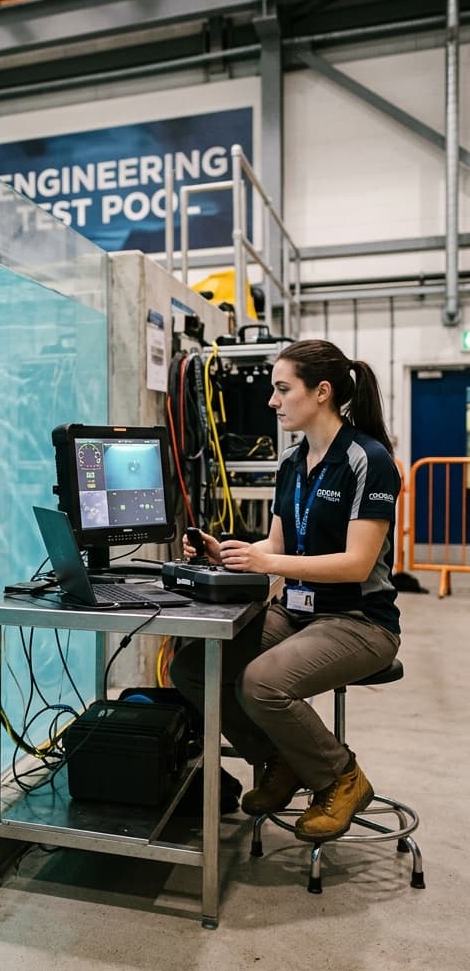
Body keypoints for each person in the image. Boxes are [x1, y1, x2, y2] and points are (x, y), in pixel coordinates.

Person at [169, 338, 401, 842]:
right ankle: (281, 761)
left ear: (321, 392)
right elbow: (275, 544)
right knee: (191, 668)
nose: (272, 402)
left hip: (360, 621)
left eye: (282, 389)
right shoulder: (293, 463)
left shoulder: (369, 460)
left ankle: (341, 777)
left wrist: (268, 559)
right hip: (298, 613)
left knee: (260, 682)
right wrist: (227, 553)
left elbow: (357, 563)